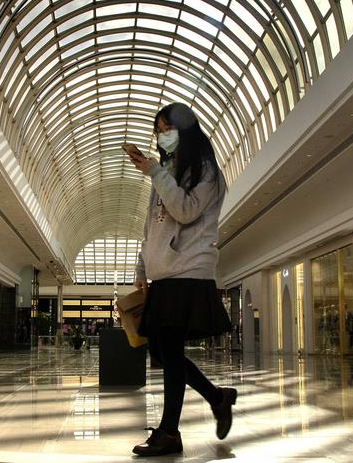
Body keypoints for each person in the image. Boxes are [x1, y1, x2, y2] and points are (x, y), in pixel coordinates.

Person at [125, 102, 236, 456]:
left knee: (169, 349)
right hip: (164, 273)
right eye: (157, 131)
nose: (160, 137)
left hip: (188, 269)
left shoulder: (205, 171)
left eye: (165, 129)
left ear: (184, 130)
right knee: (161, 349)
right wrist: (142, 269)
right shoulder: (168, 170)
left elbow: (186, 211)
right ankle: (217, 397)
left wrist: (156, 172)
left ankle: (170, 431)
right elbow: (151, 227)